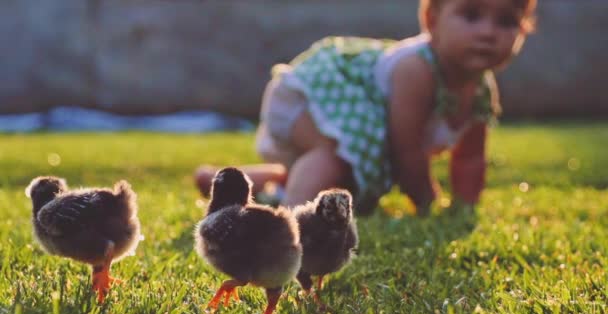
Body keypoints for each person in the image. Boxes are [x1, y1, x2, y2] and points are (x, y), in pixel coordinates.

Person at [195, 0, 537, 215]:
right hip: (315, 94)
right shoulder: (416, 70)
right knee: (333, 159)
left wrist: (465, 207)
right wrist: (427, 203)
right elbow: (407, 149)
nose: (488, 32)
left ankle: (226, 183)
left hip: (344, 115)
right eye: (471, 14)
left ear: (523, 31)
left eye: (507, 20)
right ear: (432, 19)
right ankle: (289, 221)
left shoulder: (480, 90)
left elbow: (470, 157)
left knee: (340, 175)